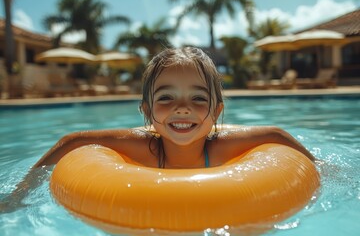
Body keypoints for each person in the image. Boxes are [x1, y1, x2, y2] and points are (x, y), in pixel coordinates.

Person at [1, 47, 315, 212]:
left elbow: (275, 135)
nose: (183, 108)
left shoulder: (220, 147)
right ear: (147, 111)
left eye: (197, 98)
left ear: (217, 112)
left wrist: (318, 166)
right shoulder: (143, 147)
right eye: (166, 98)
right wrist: (23, 190)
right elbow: (72, 141)